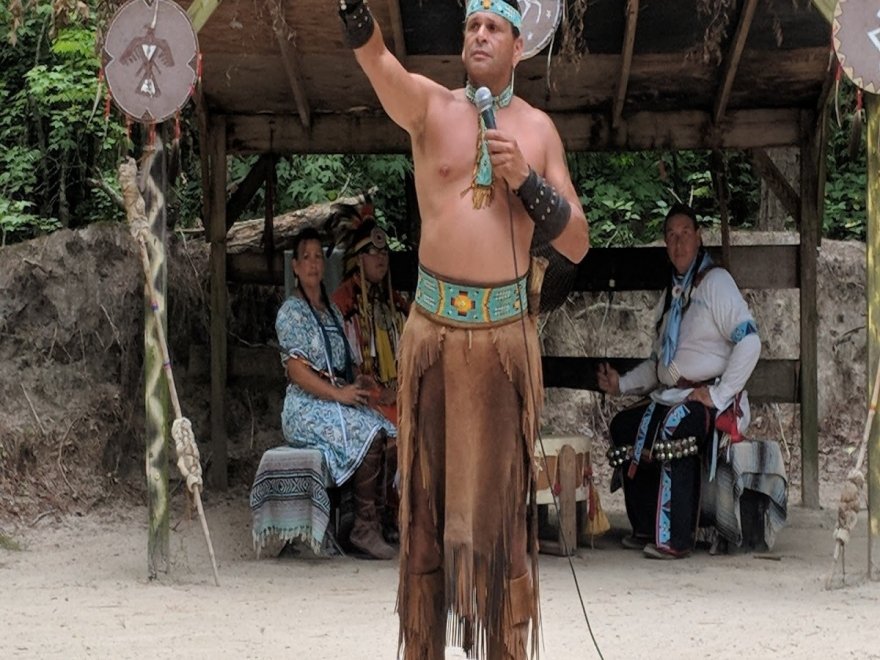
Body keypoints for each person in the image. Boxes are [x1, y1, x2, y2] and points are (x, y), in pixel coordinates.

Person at [336, 1, 590, 657]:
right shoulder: (430, 108)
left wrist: (526, 181)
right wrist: (349, 8)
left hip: (504, 345)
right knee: (423, 514)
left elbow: (580, 241)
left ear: (517, 47)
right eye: (472, 26)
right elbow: (376, 60)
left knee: (502, 522)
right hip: (433, 340)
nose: (478, 35)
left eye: (493, 28)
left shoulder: (537, 130)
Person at [597, 203, 761, 560]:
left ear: (699, 238)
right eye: (671, 235)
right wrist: (620, 385)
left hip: (705, 400)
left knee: (675, 427)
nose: (678, 242)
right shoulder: (673, 294)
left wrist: (719, 394)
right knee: (624, 427)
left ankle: (676, 539)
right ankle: (644, 527)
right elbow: (660, 365)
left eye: (685, 233)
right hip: (672, 394)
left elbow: (750, 340)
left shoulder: (716, 283)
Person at [276, 227, 398, 560]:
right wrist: (339, 395)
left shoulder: (330, 313)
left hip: (332, 400)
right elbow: (297, 371)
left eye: (319, 257)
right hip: (304, 408)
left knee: (391, 431)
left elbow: (345, 366)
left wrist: (364, 389)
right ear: (296, 268)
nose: (314, 264)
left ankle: (364, 519)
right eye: (307, 257)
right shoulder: (291, 312)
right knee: (370, 433)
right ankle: (363, 528)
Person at [332, 210, 409, 544]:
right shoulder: (342, 304)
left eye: (385, 252)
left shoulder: (397, 303)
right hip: (360, 398)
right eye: (373, 252)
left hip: (395, 395)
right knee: (393, 439)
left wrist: (398, 388)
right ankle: (373, 520)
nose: (381, 258)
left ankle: (400, 517)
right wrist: (374, 390)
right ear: (358, 259)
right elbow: (339, 366)